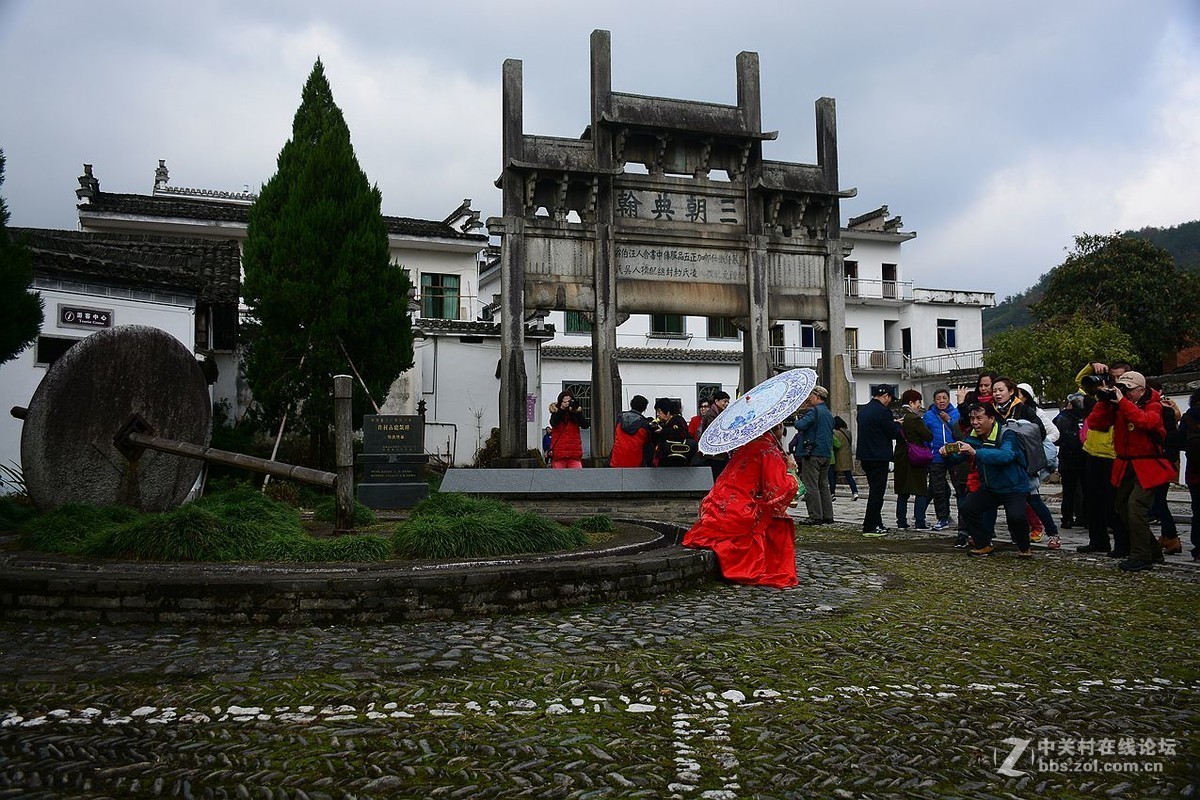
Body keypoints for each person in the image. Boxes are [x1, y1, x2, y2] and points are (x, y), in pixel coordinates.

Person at [683, 421, 800, 588]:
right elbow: (776, 491)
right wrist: (790, 471)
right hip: (739, 510)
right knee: (780, 523)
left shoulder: (746, 446)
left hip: (715, 504)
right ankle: (771, 564)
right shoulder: (768, 450)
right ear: (779, 428)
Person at [1085, 371, 1175, 572]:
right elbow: (1096, 424)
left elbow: (1146, 422)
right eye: (1122, 388)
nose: (1126, 393)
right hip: (1125, 464)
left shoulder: (1154, 404)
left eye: (1130, 390)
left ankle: (1141, 555)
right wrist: (1105, 401)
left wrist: (1122, 403)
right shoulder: (1120, 404)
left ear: (1142, 390)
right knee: (1122, 508)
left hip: (1148, 464)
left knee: (1136, 507)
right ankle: (1152, 549)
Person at [942, 401, 1032, 558]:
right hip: (990, 487)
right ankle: (983, 544)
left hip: (1014, 486)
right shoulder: (973, 435)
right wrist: (949, 453)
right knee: (967, 508)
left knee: (1016, 517)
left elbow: (1006, 455)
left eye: (979, 418)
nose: (975, 423)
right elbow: (963, 455)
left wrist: (976, 452)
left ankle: (1025, 548)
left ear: (991, 419)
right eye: (972, 419)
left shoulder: (1007, 434)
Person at [1075, 361, 1132, 556]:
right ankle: (1098, 541)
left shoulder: (1129, 400)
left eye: (1120, 378)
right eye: (1112, 378)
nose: (1114, 383)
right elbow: (1081, 382)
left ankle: (1122, 544)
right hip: (1092, 452)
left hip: (1113, 455)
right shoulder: (1101, 398)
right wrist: (1093, 366)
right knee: (1092, 502)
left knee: (1113, 505)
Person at [857, 384, 897, 536]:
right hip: (879, 456)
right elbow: (892, 432)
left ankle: (877, 522)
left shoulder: (863, 410)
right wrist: (897, 426)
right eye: (890, 398)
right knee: (877, 493)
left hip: (865, 455)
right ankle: (870, 525)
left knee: (874, 489)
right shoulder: (883, 411)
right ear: (886, 396)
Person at [793, 385, 835, 524]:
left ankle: (815, 516)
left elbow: (800, 425)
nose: (809, 399)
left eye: (811, 396)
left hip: (812, 453)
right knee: (824, 485)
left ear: (816, 396)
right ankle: (828, 515)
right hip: (826, 453)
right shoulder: (828, 413)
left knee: (811, 486)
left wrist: (797, 417)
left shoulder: (813, 412)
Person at [919, 388, 959, 531]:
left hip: (955, 455)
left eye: (944, 398)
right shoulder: (929, 416)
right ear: (934, 401)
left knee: (959, 487)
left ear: (949, 399)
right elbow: (924, 435)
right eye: (938, 398)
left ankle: (964, 519)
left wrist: (950, 420)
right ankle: (942, 518)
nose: (941, 401)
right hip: (936, 456)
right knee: (938, 489)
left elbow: (960, 431)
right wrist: (928, 449)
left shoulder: (956, 413)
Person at [894, 389, 933, 529]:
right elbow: (928, 436)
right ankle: (920, 521)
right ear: (911, 402)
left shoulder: (899, 417)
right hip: (915, 458)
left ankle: (901, 522)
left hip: (900, 458)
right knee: (921, 490)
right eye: (918, 402)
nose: (919, 405)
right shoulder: (914, 419)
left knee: (903, 492)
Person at [1052, 393, 1088, 530]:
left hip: (1068, 459)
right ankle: (1085, 518)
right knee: (1085, 490)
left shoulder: (1063, 417)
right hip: (1085, 457)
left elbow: (1056, 437)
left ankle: (1067, 518)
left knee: (1069, 491)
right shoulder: (1086, 416)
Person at [1177, 387, 1200, 563]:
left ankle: (1198, 547)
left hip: (1195, 470)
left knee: (1197, 509)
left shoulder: (1189, 416)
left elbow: (1180, 441)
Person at [610, 394, 654, 468]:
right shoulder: (644, 424)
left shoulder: (620, 419)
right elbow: (648, 443)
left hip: (616, 459)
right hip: (635, 461)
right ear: (644, 409)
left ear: (631, 404)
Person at [548, 391, 590, 469]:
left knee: (577, 478)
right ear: (561, 402)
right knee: (558, 478)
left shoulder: (575, 413)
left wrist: (576, 412)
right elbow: (554, 423)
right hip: (559, 454)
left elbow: (585, 425)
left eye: (569, 401)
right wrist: (562, 409)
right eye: (565, 401)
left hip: (574, 453)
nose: (568, 403)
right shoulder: (556, 413)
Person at [650, 397, 693, 467]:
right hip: (664, 458)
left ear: (667, 412)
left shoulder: (678, 420)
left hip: (676, 459)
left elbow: (681, 434)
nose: (658, 414)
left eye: (659, 412)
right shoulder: (663, 423)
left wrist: (663, 431)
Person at [700, 391, 732, 478]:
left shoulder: (720, 413)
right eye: (724, 401)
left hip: (720, 455)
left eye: (728, 402)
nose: (726, 404)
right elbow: (714, 432)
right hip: (714, 455)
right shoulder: (712, 414)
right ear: (717, 401)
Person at [828, 416, 859, 501]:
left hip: (838, 458)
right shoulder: (848, 432)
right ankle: (855, 492)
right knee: (849, 476)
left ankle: (832, 493)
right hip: (847, 456)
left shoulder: (835, 433)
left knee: (833, 477)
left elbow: (836, 445)